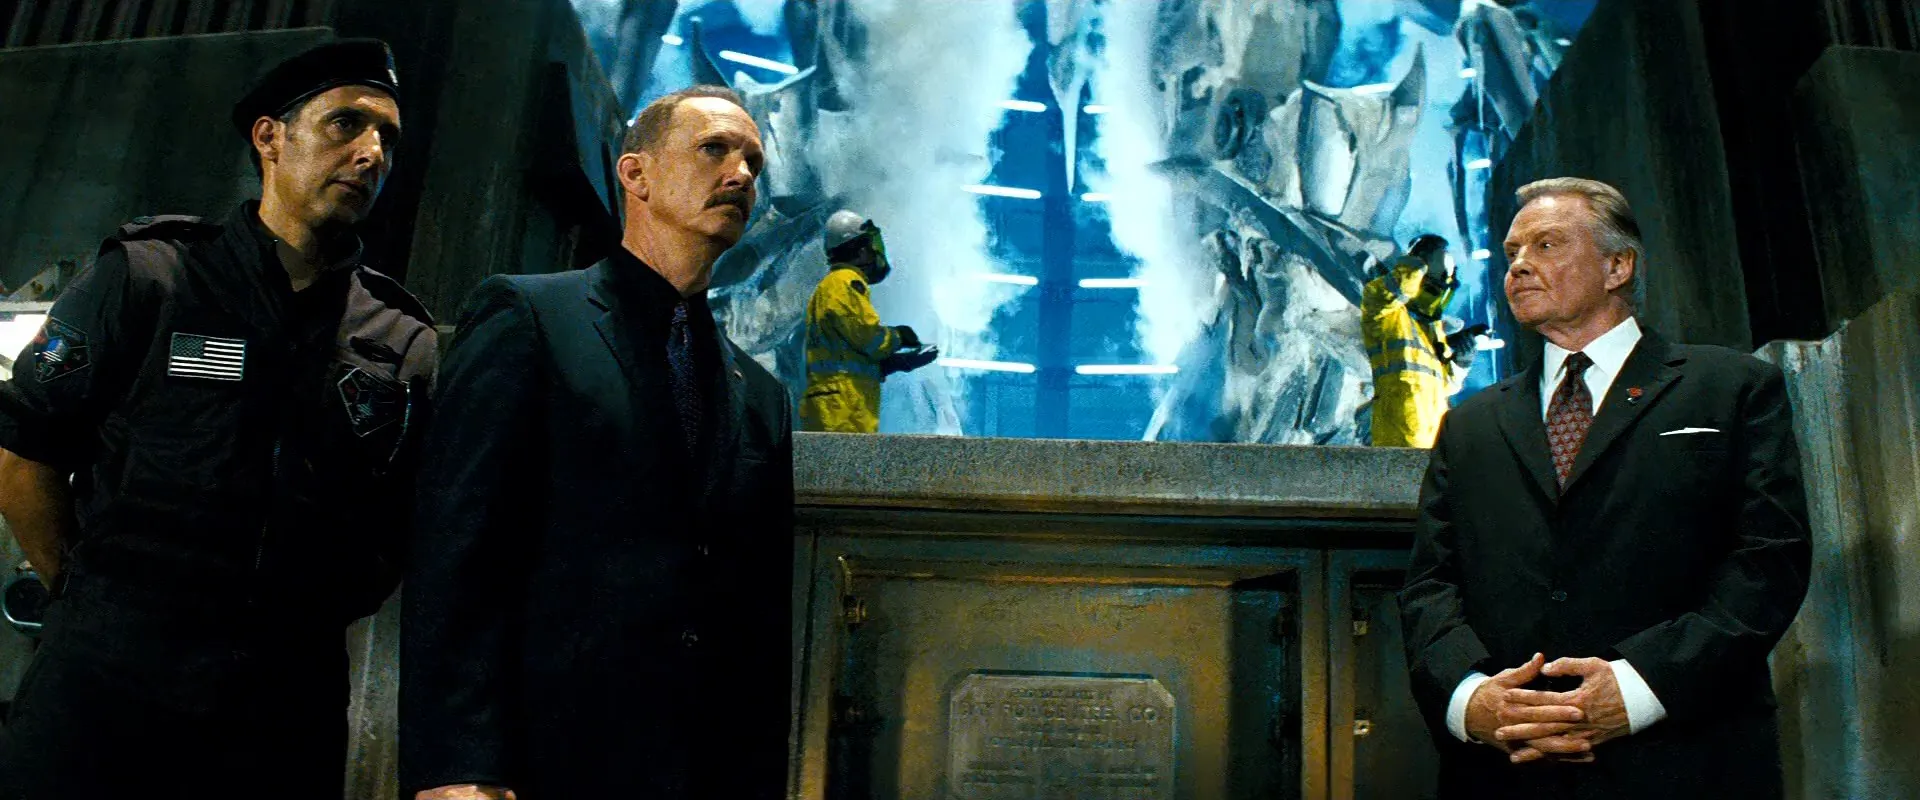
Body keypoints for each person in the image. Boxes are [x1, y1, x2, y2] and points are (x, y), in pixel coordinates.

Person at [0, 39, 435, 800]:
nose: (371, 154)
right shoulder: (152, 277)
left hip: (280, 711)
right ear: (270, 137)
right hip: (105, 692)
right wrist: (86, 598)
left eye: (387, 139)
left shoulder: (400, 338)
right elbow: (25, 452)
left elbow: (399, 525)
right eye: (345, 125)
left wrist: (303, 617)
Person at [402, 85, 795, 800]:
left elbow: (760, 615)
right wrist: (457, 765)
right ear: (635, 173)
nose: (741, 174)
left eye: (753, 163)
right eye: (714, 149)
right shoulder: (528, 316)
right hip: (544, 761)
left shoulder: (761, 395)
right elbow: (459, 550)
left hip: (696, 771)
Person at [1397, 177, 1811, 798]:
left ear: (1618, 267)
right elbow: (1430, 583)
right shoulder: (1469, 425)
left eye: (1545, 245)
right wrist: (1469, 699)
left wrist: (1641, 689)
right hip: (1504, 774)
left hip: (1685, 765)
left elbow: (1769, 562)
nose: (1518, 266)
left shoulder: (1731, 388)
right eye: (1512, 253)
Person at [800, 209, 938, 432]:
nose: (875, 252)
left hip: (839, 402)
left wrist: (894, 364)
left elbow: (845, 353)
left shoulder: (832, 285)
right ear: (861, 251)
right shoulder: (845, 282)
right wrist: (899, 336)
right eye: (871, 246)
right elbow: (868, 337)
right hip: (843, 407)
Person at [1363, 233, 1483, 448]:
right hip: (1398, 441)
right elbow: (1393, 291)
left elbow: (1445, 386)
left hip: (1432, 446)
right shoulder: (1387, 313)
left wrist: (1461, 363)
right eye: (1433, 282)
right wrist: (1417, 262)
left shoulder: (1432, 333)